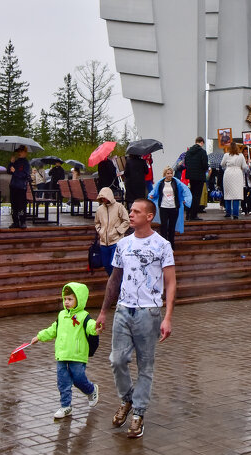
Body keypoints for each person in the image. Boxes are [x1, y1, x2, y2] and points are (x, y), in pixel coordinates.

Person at [96, 199, 176, 439]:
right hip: (123, 309)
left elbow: (171, 282)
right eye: (130, 211)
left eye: (136, 212)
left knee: (145, 367)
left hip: (148, 313)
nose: (130, 215)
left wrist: (168, 316)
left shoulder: (162, 245)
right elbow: (114, 279)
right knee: (117, 360)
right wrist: (102, 311)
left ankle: (138, 414)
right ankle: (127, 400)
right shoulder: (124, 245)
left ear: (149, 216)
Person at [30, 282, 100, 419]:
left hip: (77, 355)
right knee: (63, 381)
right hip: (62, 354)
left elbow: (91, 326)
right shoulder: (62, 315)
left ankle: (91, 390)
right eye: (65, 299)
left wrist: (97, 327)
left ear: (79, 300)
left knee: (78, 379)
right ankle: (65, 406)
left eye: (70, 299)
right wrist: (39, 336)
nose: (66, 302)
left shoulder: (84, 316)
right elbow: (53, 329)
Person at [149, 166, 192, 248]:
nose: (169, 175)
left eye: (171, 173)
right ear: (164, 174)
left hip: (174, 208)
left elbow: (185, 190)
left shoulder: (177, 182)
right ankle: (164, 245)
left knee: (172, 227)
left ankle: (171, 244)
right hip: (163, 207)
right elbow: (155, 192)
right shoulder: (160, 183)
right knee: (164, 226)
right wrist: (152, 196)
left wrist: (185, 199)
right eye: (168, 173)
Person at [94, 187, 130, 275]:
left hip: (116, 241)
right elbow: (97, 222)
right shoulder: (99, 210)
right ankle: (114, 282)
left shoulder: (119, 207)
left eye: (105, 197)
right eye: (101, 197)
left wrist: (118, 231)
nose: (103, 199)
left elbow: (126, 220)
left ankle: (116, 283)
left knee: (113, 264)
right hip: (103, 242)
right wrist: (100, 231)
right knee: (106, 264)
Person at [221, 141, 248, 220]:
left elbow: (222, 164)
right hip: (237, 174)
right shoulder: (241, 155)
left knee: (228, 193)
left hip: (228, 173)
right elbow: (244, 167)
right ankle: (235, 214)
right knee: (236, 194)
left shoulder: (226, 155)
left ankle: (228, 212)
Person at [185, 137, 208, 221]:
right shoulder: (202, 152)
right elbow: (205, 165)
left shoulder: (188, 152)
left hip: (191, 176)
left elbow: (186, 163)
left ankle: (188, 214)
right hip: (199, 176)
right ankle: (193, 215)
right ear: (201, 142)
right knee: (197, 196)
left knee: (191, 195)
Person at [7, 146, 31, 229]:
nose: (19, 153)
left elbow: (24, 175)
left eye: (21, 151)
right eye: (18, 151)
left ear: (25, 153)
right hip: (13, 186)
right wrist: (11, 163)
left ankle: (23, 221)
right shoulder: (16, 162)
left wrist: (15, 172)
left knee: (21, 205)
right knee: (14, 205)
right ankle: (15, 222)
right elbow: (9, 171)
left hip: (21, 187)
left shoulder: (26, 163)